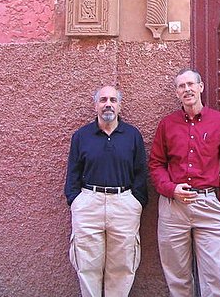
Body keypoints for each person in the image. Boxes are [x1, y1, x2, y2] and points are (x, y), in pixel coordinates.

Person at [149, 68, 220, 297]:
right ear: (177, 93)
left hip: (209, 205)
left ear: (201, 87)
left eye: (191, 84)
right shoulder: (167, 124)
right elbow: (156, 164)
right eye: (181, 86)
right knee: (177, 279)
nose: (187, 89)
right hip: (173, 208)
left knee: (215, 277)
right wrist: (171, 189)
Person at [64, 85, 148, 297]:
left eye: (113, 100)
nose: (108, 104)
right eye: (103, 100)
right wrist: (76, 201)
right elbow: (73, 173)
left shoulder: (132, 135)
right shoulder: (81, 136)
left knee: (123, 266)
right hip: (88, 204)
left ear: (119, 106)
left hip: (124, 204)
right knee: (87, 266)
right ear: (95, 106)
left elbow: (140, 172)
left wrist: (136, 202)